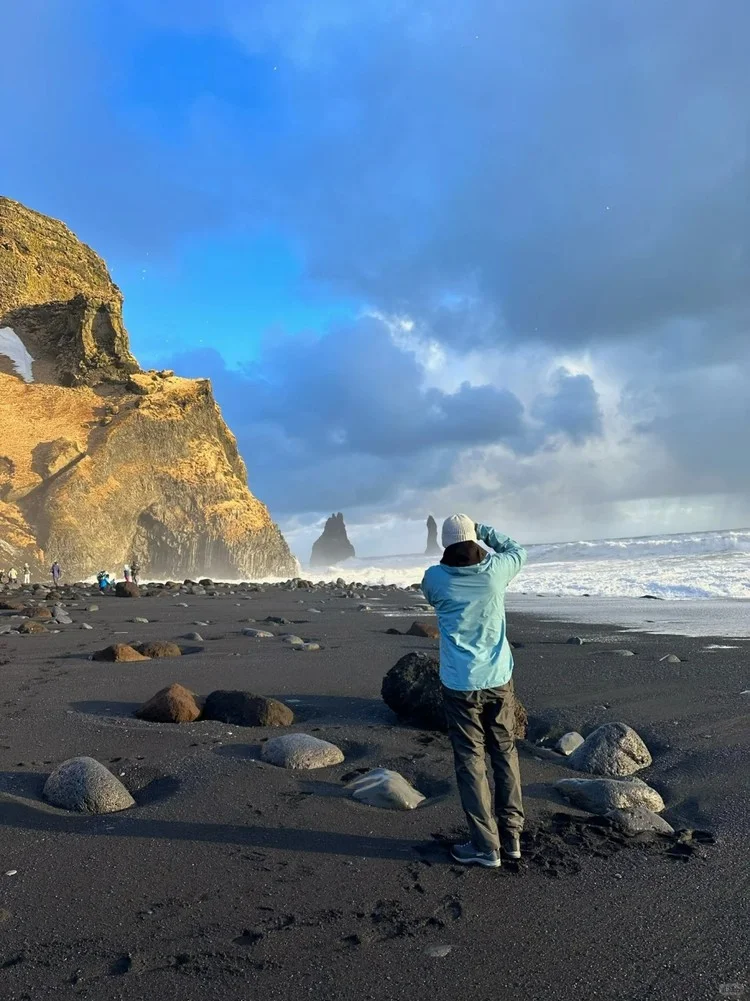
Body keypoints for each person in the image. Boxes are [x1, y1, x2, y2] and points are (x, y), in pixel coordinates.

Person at [421, 515, 527, 868]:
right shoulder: (496, 571)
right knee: (505, 753)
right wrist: (485, 531)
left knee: (471, 762)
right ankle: (511, 837)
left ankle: (486, 846)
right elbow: (517, 550)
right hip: (498, 678)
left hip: (459, 683)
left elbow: (434, 598)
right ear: (474, 539)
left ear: (445, 544)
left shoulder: (435, 578)